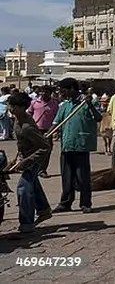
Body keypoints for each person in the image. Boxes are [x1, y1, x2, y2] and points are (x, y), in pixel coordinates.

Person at [51, 77, 102, 215]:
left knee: (82, 177)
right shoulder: (65, 105)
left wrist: (90, 104)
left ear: (72, 89)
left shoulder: (88, 102)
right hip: (66, 145)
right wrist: (47, 135)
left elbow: (99, 118)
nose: (62, 93)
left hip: (81, 145)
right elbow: (56, 123)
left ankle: (85, 203)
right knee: (66, 177)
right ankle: (65, 203)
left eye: (64, 90)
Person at [7, 91, 51, 234]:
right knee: (33, 183)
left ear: (21, 107)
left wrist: (26, 162)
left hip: (34, 159)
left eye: (13, 106)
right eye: (9, 105)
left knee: (23, 188)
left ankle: (27, 223)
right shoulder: (17, 120)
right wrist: (17, 158)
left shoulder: (28, 127)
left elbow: (45, 147)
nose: (10, 108)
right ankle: (44, 210)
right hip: (25, 157)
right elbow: (21, 143)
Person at [27, 87, 57, 177]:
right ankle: (31, 168)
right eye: (42, 91)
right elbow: (29, 114)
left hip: (48, 130)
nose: (43, 93)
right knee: (33, 150)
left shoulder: (54, 104)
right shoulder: (34, 103)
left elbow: (56, 118)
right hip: (35, 129)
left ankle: (42, 170)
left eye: (46, 92)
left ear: (50, 93)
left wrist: (55, 131)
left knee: (47, 150)